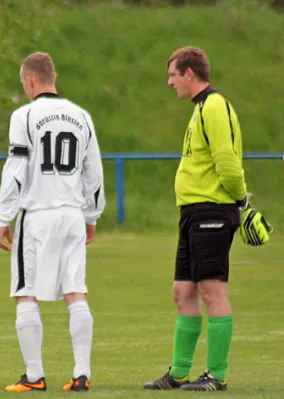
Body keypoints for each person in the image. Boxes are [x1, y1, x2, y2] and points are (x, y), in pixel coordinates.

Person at [143, 46, 265, 392]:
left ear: (189, 74)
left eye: (172, 75)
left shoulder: (214, 107)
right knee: (183, 291)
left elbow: (227, 162)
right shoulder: (199, 110)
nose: (169, 82)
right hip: (193, 212)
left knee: (213, 290)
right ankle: (180, 372)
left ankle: (216, 375)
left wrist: (241, 201)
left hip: (213, 209)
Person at [0, 52, 106, 393]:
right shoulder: (82, 116)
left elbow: (15, 169)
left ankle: (33, 376)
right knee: (76, 292)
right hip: (72, 214)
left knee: (25, 292)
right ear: (52, 77)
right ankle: (82, 373)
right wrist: (92, 215)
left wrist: (3, 217)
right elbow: (94, 173)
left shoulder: (24, 115)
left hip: (38, 215)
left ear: (30, 80)